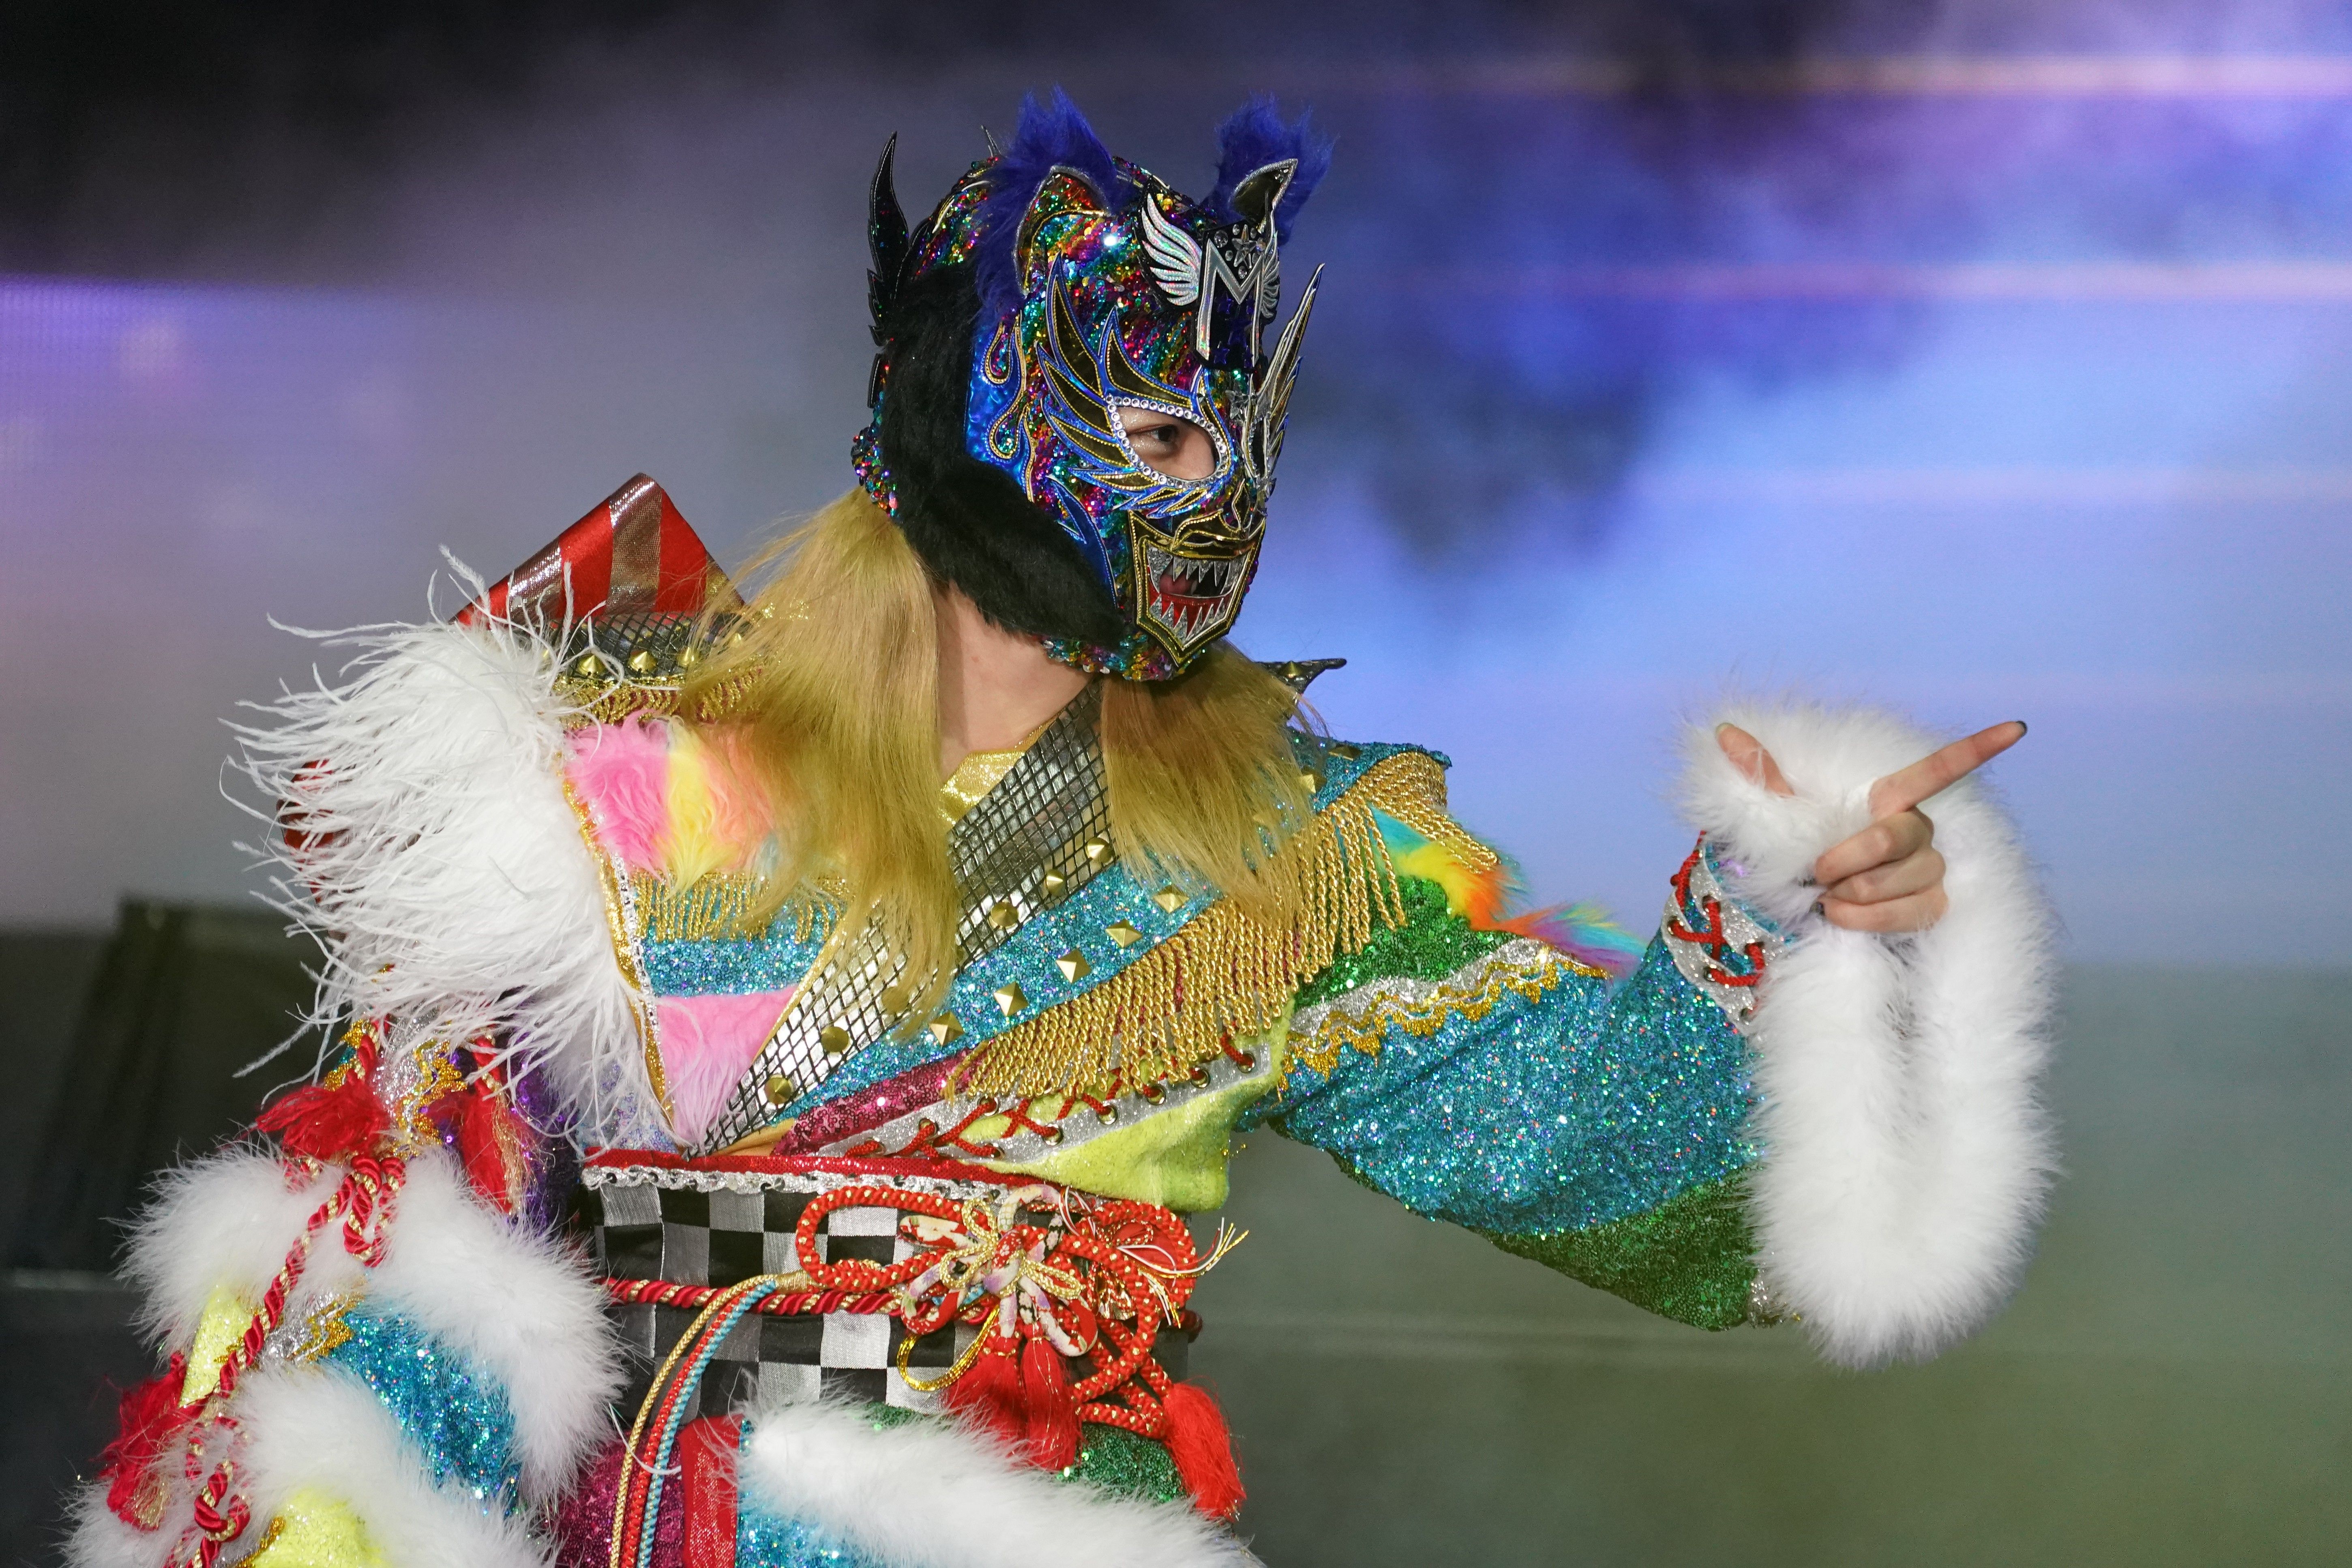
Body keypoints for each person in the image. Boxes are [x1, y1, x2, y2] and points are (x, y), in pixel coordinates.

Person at [67, 91, 2054, 1568]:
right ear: (991, 408)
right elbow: (411, 1274)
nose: (1219, 486)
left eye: (1242, 438)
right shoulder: (605, 788)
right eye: (1170, 430)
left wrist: (1790, 911)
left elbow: (1612, 1142)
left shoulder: (1291, 859)